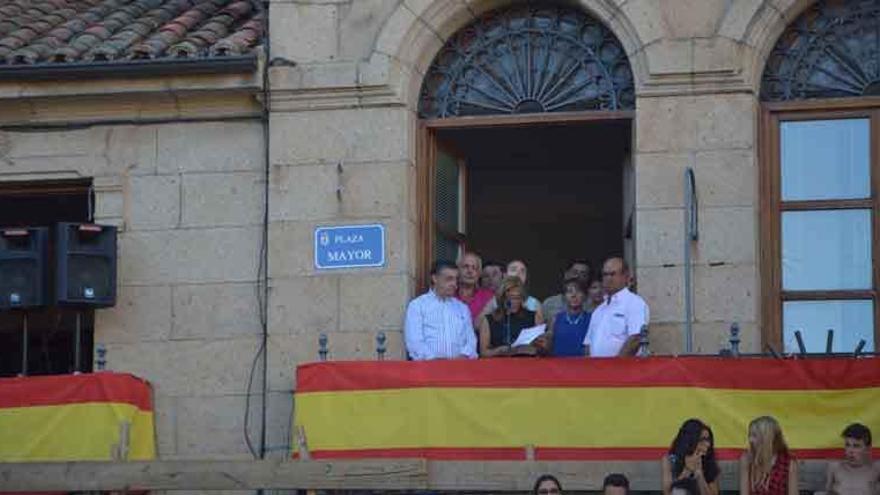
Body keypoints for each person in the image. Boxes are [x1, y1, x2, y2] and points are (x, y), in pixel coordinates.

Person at [404, 260, 477, 360]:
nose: (454, 284)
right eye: (449, 279)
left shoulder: (462, 308)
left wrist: (463, 357)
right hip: (427, 370)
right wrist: (436, 362)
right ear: (434, 278)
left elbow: (471, 341)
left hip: (460, 370)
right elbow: (414, 343)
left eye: (456, 279)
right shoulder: (417, 306)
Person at [583, 257, 648, 357]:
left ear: (625, 276)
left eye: (612, 274)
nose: (608, 278)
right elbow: (588, 344)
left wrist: (616, 366)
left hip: (623, 370)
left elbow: (635, 338)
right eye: (605, 274)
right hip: (596, 370)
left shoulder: (634, 303)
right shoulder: (599, 310)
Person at [479, 275, 545, 357]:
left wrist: (536, 347)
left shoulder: (533, 316)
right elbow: (483, 353)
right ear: (502, 297)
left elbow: (543, 348)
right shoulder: (489, 320)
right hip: (499, 365)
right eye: (510, 297)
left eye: (517, 298)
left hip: (526, 364)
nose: (513, 302)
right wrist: (499, 351)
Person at [739, 416, 798, 495]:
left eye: (754, 436)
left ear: (767, 439)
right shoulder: (746, 459)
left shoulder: (789, 462)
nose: (750, 440)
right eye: (749, 435)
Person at [662, 419, 720, 495]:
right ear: (690, 440)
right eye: (702, 439)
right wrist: (686, 471)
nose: (708, 444)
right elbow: (668, 493)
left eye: (708, 439)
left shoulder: (709, 460)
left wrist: (700, 474)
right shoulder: (670, 460)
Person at [825, 423, 879, 495]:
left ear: (868, 449)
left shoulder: (876, 468)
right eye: (847, 445)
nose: (850, 451)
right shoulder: (834, 467)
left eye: (856, 446)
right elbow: (828, 492)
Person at [548, 277, 591, 357]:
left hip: (583, 365)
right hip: (558, 366)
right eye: (569, 292)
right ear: (564, 297)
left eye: (578, 291)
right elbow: (549, 347)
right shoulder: (556, 319)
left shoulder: (591, 319)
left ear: (585, 296)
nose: (574, 295)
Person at [456, 252, 494, 326]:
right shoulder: (449, 295)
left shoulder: (489, 297)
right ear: (458, 270)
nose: (470, 271)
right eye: (466, 267)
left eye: (474, 268)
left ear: (479, 274)